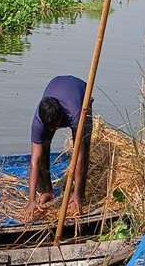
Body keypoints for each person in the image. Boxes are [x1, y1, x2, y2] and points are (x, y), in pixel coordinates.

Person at [22, 75, 93, 223]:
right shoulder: (39, 122)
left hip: (81, 93)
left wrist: (76, 194)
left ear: (61, 116)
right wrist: (31, 200)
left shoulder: (75, 113)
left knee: (83, 147)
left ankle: (78, 195)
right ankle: (47, 190)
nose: (55, 129)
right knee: (42, 148)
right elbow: (34, 162)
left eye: (57, 125)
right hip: (56, 88)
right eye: (51, 127)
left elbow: (78, 156)